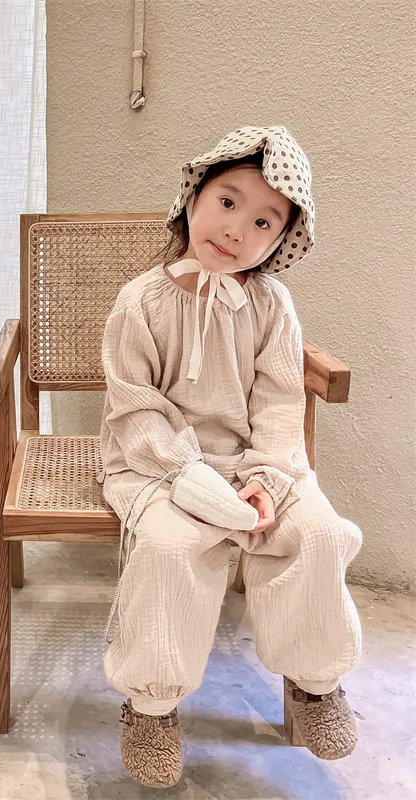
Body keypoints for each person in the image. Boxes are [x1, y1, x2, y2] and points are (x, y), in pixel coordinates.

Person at [98, 126, 362, 788]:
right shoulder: (141, 302)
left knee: (319, 533)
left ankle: (314, 683)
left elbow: (279, 402)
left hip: (254, 464)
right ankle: (151, 705)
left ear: (280, 241)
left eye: (264, 221)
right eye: (227, 202)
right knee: (169, 548)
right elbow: (135, 409)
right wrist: (186, 475)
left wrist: (267, 478)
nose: (237, 229)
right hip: (158, 465)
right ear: (195, 195)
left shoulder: (273, 306)